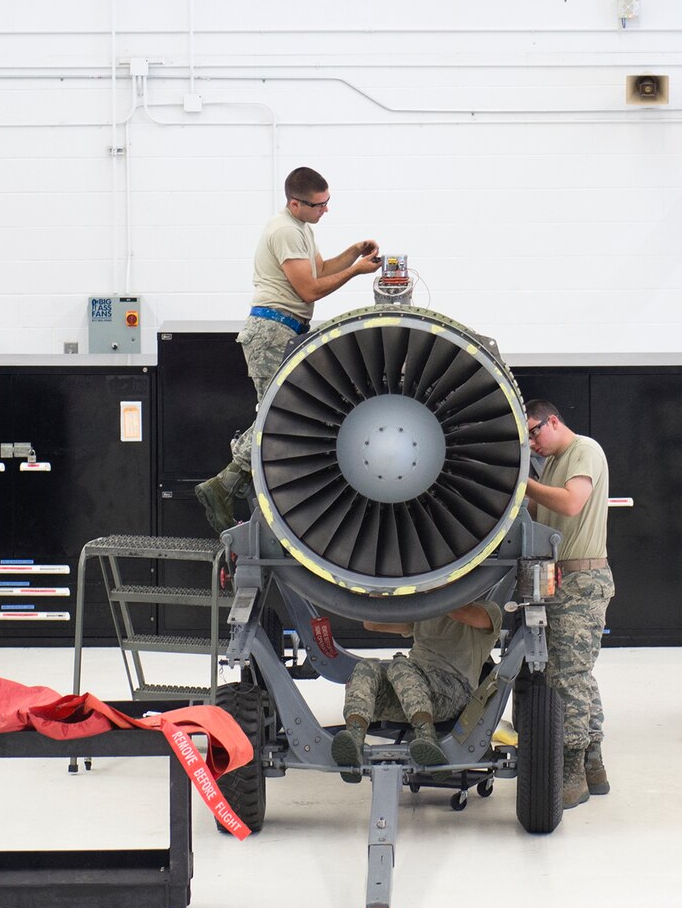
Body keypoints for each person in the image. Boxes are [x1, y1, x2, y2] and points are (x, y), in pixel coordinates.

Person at [195, 166, 381, 531]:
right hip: (272, 331)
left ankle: (227, 485)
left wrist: (352, 253)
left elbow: (321, 268)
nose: (325, 210)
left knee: (277, 413)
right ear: (295, 203)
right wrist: (357, 272)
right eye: (318, 205)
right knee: (274, 416)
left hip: (286, 329)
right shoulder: (284, 230)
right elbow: (309, 290)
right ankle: (221, 488)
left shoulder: (301, 229)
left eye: (327, 202)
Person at [521, 398, 613, 809]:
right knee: (578, 673)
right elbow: (537, 513)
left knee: (567, 677)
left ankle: (572, 773)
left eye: (534, 432)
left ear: (553, 420)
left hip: (582, 580)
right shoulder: (553, 463)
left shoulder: (584, 451)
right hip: (563, 580)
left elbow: (573, 502)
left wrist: (525, 485)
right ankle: (594, 766)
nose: (532, 442)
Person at [329, 601, 502, 777]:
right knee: (366, 667)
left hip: (454, 690)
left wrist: (430, 594)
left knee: (400, 666)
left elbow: (462, 613)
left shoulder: (489, 611)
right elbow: (372, 624)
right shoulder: (426, 611)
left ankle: (427, 739)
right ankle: (354, 741)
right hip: (412, 690)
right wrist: (378, 589)